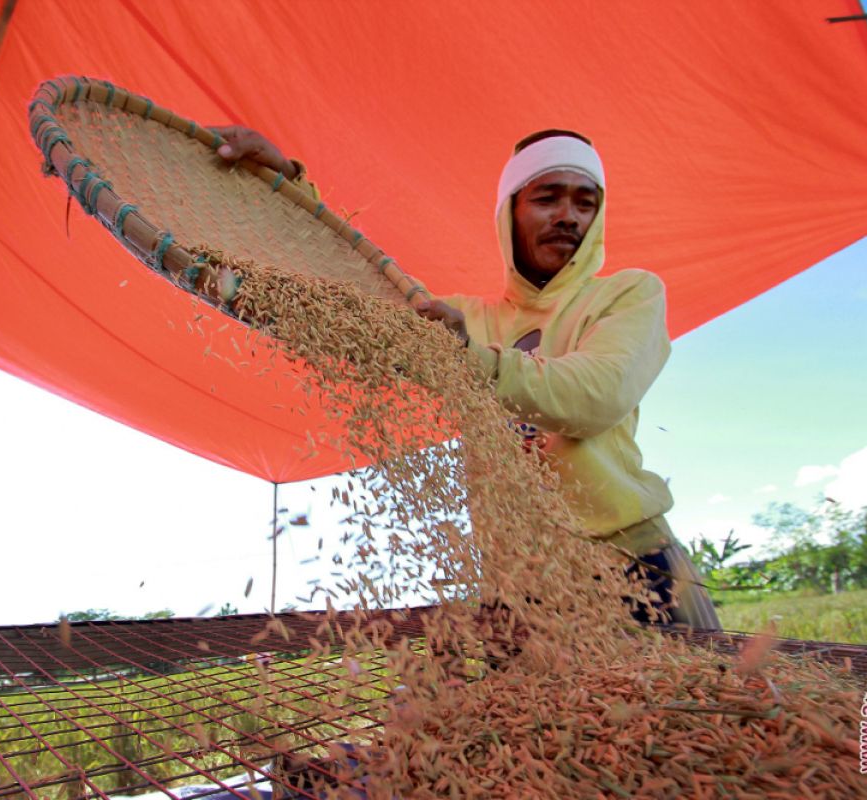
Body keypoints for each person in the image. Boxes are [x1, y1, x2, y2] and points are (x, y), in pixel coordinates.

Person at [207, 127, 720, 630]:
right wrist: (287, 187)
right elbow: (351, 295)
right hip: (521, 584)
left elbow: (596, 396)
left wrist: (469, 356)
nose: (568, 217)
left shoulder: (628, 295)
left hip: (634, 563)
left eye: (585, 203)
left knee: (683, 711)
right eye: (547, 198)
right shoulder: (465, 319)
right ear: (510, 213)